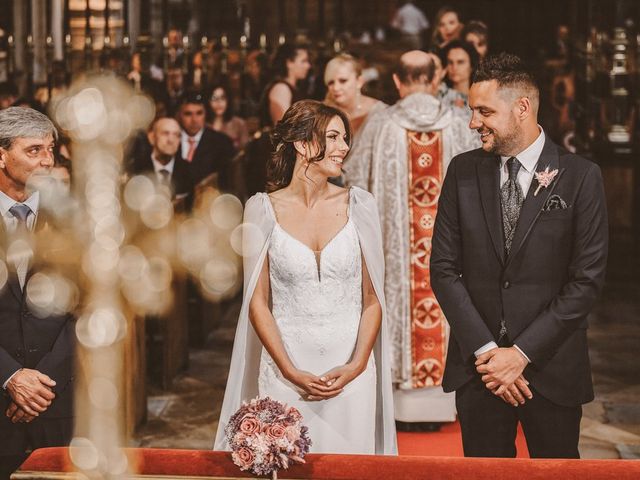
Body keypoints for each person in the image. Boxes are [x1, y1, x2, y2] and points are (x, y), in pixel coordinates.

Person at [430, 53, 608, 458]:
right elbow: (443, 269)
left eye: (484, 111)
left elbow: (586, 281)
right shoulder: (462, 171)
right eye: (472, 110)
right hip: (481, 371)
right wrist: (489, 354)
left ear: (522, 108)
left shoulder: (581, 177)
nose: (473, 122)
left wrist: (522, 354)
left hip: (551, 368)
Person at [214, 100, 397, 455]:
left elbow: (373, 299)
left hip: (351, 373)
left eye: (344, 138)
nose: (344, 147)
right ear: (302, 144)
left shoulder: (360, 205)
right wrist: (289, 370)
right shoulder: (261, 210)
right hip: (286, 372)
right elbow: (257, 303)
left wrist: (357, 365)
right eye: (333, 137)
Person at [345, 51, 478, 427]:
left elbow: (353, 180)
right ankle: (443, 402)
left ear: (398, 83)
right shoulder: (458, 124)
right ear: (436, 80)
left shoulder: (381, 124)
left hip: (397, 258)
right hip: (452, 254)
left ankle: (401, 407)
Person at [0, 107, 76, 477]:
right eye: (34, 150)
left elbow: (90, 308)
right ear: (1, 154)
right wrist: (11, 377)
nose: (48, 160)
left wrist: (41, 383)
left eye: (50, 149)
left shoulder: (75, 218)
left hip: (57, 397)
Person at [176, 93, 236, 189]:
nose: (194, 120)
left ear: (205, 114)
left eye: (199, 113)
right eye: (188, 114)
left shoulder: (222, 143)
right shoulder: (170, 139)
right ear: (179, 115)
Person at [324, 53, 386, 140]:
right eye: (331, 82)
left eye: (343, 81)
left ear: (359, 81)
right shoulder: (322, 112)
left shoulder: (381, 113)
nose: (336, 88)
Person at [129, 117, 192, 199]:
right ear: (152, 138)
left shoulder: (189, 171)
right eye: (165, 133)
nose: (171, 140)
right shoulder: (135, 170)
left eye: (176, 135)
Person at [260, 44, 311, 128]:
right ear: (289, 63)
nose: (308, 66)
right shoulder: (281, 89)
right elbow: (282, 128)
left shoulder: (293, 88)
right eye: (303, 61)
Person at [441, 40, 479, 115]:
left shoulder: (480, 97)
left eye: (460, 62)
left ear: (471, 65)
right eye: (450, 62)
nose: (454, 67)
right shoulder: (440, 94)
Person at [208, 85, 250, 150]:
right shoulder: (203, 125)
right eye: (214, 98)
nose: (219, 102)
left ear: (228, 101)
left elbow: (246, 152)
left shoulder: (239, 124)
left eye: (222, 98)